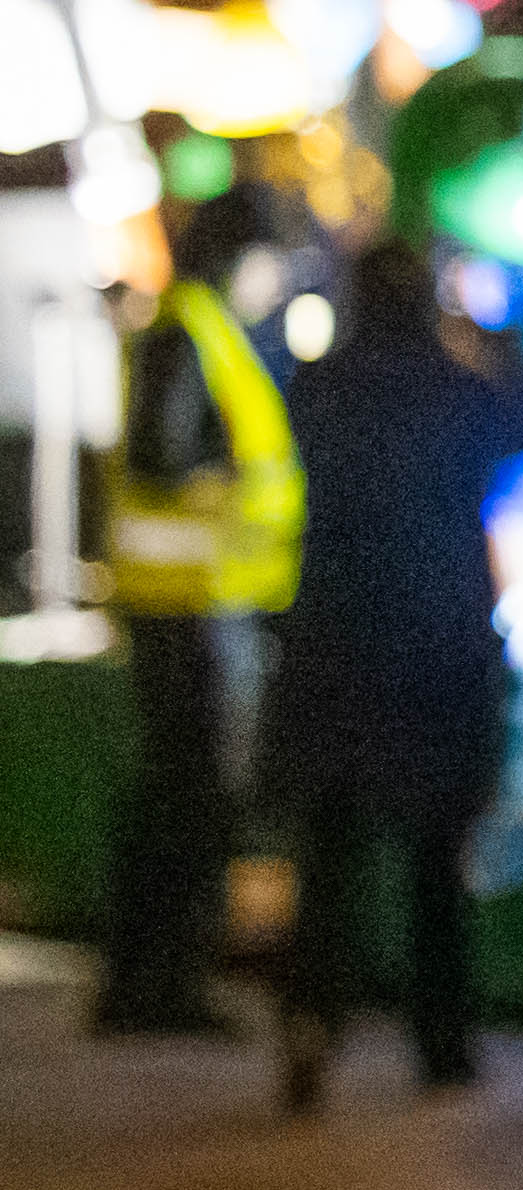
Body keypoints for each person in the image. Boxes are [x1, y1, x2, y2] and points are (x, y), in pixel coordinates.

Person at [250, 232, 523, 1107]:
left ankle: (312, 1024)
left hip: (334, 643)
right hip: (438, 649)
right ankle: (444, 1045)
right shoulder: (462, 393)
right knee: (434, 862)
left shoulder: (319, 387)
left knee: (329, 859)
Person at [96, 184, 298, 1037]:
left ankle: (149, 980)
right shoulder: (191, 333)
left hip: (193, 608)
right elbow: (161, 458)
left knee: (181, 797)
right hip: (188, 609)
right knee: (191, 801)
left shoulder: (202, 331)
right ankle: (158, 983)